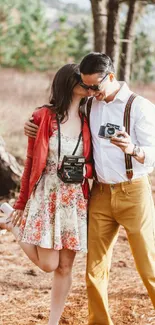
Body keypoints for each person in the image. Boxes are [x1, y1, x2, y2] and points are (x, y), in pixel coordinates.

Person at [24, 53, 155, 325]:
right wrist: (32, 126)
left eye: (95, 87)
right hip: (100, 194)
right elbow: (59, 116)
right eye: (86, 86)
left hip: (133, 192)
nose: (91, 92)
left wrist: (134, 149)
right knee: (94, 270)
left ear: (109, 77)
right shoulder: (89, 107)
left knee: (148, 266)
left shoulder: (140, 107)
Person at [0, 63, 93, 325]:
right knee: (48, 265)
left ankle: (53, 321)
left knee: (65, 267)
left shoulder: (89, 118)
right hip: (48, 193)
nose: (88, 86)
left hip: (74, 198)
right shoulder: (43, 116)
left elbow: (94, 162)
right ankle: (11, 224)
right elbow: (31, 161)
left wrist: (83, 170)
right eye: (82, 82)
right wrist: (20, 204)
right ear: (69, 83)